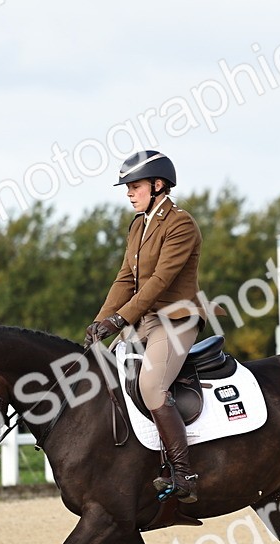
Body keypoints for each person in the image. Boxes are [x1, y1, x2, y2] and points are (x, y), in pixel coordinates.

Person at [84, 150, 204, 503]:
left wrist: (120, 319)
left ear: (158, 185)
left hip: (174, 319)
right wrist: (100, 321)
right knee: (105, 377)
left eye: (134, 186)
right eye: (128, 187)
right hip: (142, 322)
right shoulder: (139, 224)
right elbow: (126, 278)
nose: (129, 193)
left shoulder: (181, 224)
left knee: (152, 386)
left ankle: (184, 474)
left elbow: (159, 282)